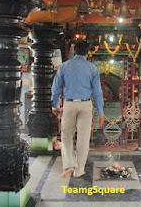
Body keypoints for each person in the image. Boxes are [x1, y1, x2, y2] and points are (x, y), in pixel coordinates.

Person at [51, 40, 104, 178]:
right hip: (86, 105)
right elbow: (97, 91)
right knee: (83, 138)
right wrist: (101, 111)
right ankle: (79, 170)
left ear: (74, 51)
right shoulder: (92, 68)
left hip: (69, 104)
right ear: (87, 52)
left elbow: (56, 88)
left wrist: (55, 105)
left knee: (66, 136)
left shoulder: (64, 66)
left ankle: (69, 164)